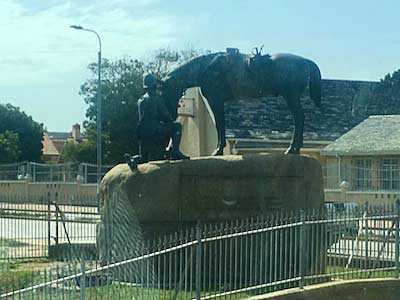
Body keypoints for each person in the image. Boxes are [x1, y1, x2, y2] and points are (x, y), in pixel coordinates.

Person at [125, 74, 189, 169]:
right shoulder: (157, 99)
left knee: (144, 157)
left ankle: (133, 160)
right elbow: (167, 117)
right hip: (155, 132)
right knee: (177, 126)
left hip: (143, 134)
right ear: (154, 86)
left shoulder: (140, 100)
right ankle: (175, 151)